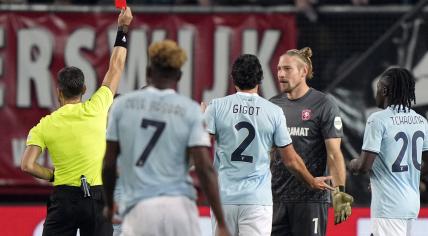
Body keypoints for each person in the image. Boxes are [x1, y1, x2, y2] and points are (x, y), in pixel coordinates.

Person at [20, 7, 133, 236]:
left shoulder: (44, 125)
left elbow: (27, 165)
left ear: (58, 91)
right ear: (84, 89)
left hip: (64, 200)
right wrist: (122, 28)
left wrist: (53, 176)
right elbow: (116, 66)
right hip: (97, 198)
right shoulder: (98, 107)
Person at [102, 40, 230, 236]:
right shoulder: (190, 110)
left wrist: (109, 204)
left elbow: (109, 163)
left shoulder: (122, 106)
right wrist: (221, 221)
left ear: (148, 72)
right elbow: (204, 169)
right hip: (178, 208)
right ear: (178, 76)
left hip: (139, 208)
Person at [204, 54, 334, 236]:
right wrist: (311, 181)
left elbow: (199, 147)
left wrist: (201, 120)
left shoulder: (216, 107)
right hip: (257, 200)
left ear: (233, 78)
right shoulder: (273, 112)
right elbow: (290, 160)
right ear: (260, 79)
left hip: (224, 198)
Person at [269, 47, 353, 236]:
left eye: (287, 69)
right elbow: (268, 152)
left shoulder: (324, 104)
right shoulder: (273, 105)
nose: (281, 74)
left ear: (303, 71)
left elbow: (334, 153)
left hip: (310, 200)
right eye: (279, 69)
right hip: (276, 199)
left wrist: (340, 192)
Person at [349, 67, 428, 236]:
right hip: (411, 205)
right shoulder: (421, 121)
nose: (375, 93)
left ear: (384, 90)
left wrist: (352, 164)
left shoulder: (377, 119)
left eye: (377, 88)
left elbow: (363, 166)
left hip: (388, 207)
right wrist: (405, 176)